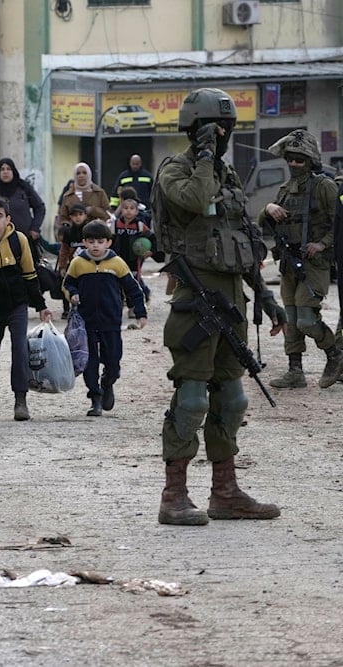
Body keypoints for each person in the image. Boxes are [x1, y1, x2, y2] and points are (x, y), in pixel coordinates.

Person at [153, 87, 287, 526]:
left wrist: (266, 297)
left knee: (232, 399)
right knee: (191, 399)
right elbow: (193, 200)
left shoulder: (226, 177)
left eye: (228, 129)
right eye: (215, 128)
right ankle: (173, 496)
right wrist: (207, 154)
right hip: (196, 300)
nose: (224, 134)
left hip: (231, 299)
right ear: (195, 130)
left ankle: (225, 493)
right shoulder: (177, 170)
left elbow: (243, 240)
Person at [257, 129, 343, 390]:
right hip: (288, 262)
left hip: (314, 264)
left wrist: (322, 244)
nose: (294, 164)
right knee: (292, 320)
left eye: (300, 160)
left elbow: (337, 223)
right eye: (291, 159)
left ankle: (335, 355)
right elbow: (264, 222)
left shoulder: (325, 187)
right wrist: (267, 208)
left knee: (306, 319)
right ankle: (295, 371)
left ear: (311, 161)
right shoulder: (285, 190)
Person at [0, 195, 53, 421]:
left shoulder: (19, 240)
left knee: (20, 349)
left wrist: (41, 306)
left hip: (17, 304)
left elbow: (30, 275)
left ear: (8, 219)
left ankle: (20, 400)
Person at [62, 221, 147, 417]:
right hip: (87, 322)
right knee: (89, 361)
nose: (95, 246)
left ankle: (107, 383)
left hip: (111, 321)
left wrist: (141, 313)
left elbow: (134, 290)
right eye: (91, 241)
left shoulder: (117, 263)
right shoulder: (78, 263)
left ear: (108, 242)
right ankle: (95, 398)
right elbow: (67, 284)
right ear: (84, 242)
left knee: (113, 361)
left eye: (100, 241)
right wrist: (73, 294)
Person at [0, 158, 46, 257]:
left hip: (25, 239)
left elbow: (40, 207)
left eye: (8, 169)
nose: (5, 172)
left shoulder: (24, 187)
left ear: (13, 171)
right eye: (2, 169)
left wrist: (35, 228)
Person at [112, 197, 155, 309]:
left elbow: (152, 238)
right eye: (125, 208)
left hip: (134, 260)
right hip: (118, 259)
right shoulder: (115, 225)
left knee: (133, 282)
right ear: (121, 210)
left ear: (136, 211)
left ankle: (133, 307)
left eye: (132, 208)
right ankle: (118, 305)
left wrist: (151, 251)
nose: (128, 211)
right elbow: (108, 239)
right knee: (117, 282)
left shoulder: (139, 225)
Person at [56, 204, 89, 318]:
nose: (78, 217)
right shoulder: (68, 232)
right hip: (73, 265)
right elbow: (64, 250)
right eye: (75, 215)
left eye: (80, 214)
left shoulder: (89, 230)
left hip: (88, 265)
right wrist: (62, 267)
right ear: (70, 217)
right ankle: (66, 309)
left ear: (85, 215)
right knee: (66, 284)